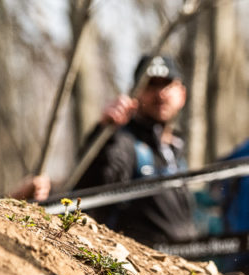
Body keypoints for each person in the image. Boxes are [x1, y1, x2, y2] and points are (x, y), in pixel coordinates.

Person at [74, 54, 196, 247]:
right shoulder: (123, 142)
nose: (160, 94)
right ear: (135, 93)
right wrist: (103, 133)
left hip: (186, 258)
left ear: (182, 94)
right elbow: (91, 185)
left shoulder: (177, 148)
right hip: (135, 259)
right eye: (151, 84)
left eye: (167, 84)